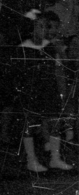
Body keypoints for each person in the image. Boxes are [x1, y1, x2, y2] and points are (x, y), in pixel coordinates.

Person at [17, 9, 74, 173]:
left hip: (49, 89)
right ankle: (31, 159)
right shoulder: (24, 48)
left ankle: (55, 158)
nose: (44, 30)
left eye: (45, 26)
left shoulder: (49, 47)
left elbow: (58, 70)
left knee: (55, 122)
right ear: (31, 29)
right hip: (32, 91)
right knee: (30, 123)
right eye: (40, 26)